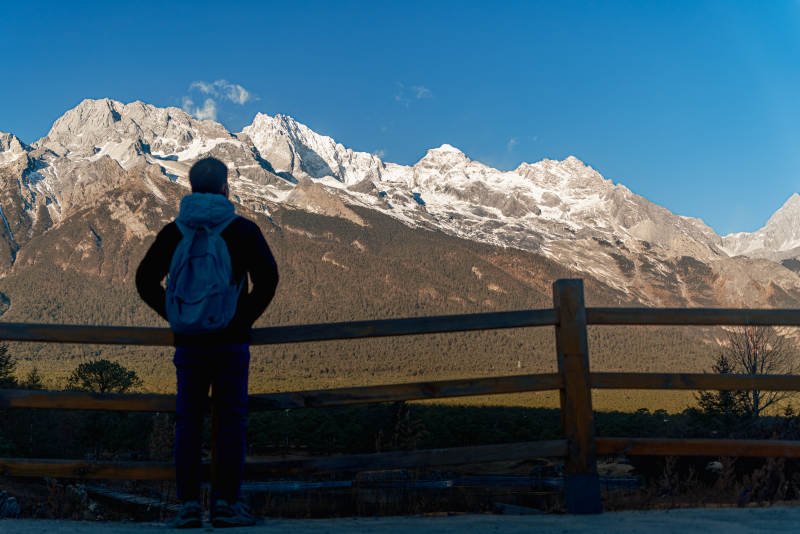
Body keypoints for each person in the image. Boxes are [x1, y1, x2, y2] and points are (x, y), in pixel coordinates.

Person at [136, 157, 279, 528]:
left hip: (189, 345)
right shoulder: (243, 229)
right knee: (230, 423)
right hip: (230, 345)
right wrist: (241, 318)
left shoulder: (175, 231)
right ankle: (226, 507)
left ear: (190, 188)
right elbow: (268, 279)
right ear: (225, 187)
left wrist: (177, 317)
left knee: (187, 424)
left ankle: (187, 508)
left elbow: (145, 281)